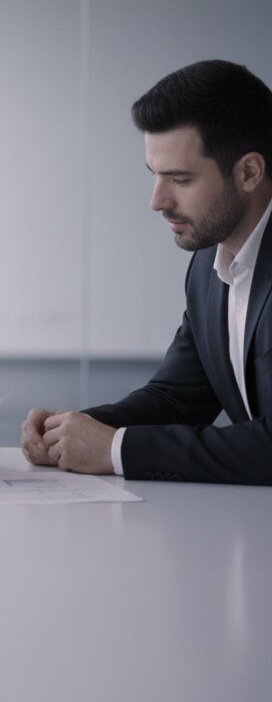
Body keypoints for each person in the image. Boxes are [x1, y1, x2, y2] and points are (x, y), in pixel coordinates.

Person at [22, 59, 272, 485]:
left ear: (248, 172)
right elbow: (176, 398)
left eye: (180, 179)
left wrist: (115, 449)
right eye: (155, 176)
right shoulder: (208, 268)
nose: (157, 201)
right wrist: (72, 429)